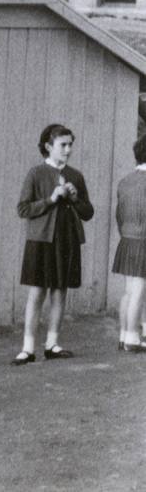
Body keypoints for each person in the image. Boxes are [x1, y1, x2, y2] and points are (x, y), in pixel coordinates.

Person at [12, 123, 94, 365]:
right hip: (41, 240)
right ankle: (27, 348)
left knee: (60, 292)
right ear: (48, 147)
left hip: (67, 241)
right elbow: (23, 208)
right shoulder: (35, 173)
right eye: (63, 145)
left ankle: (52, 345)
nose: (68, 150)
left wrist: (75, 198)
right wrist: (51, 198)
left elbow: (88, 212)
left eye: (70, 145)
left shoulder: (76, 176)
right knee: (37, 293)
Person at [114, 136, 146, 353]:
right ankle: (133, 338)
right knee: (139, 290)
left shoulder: (125, 181)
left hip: (126, 240)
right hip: (143, 241)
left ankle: (124, 334)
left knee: (129, 290)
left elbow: (119, 214)